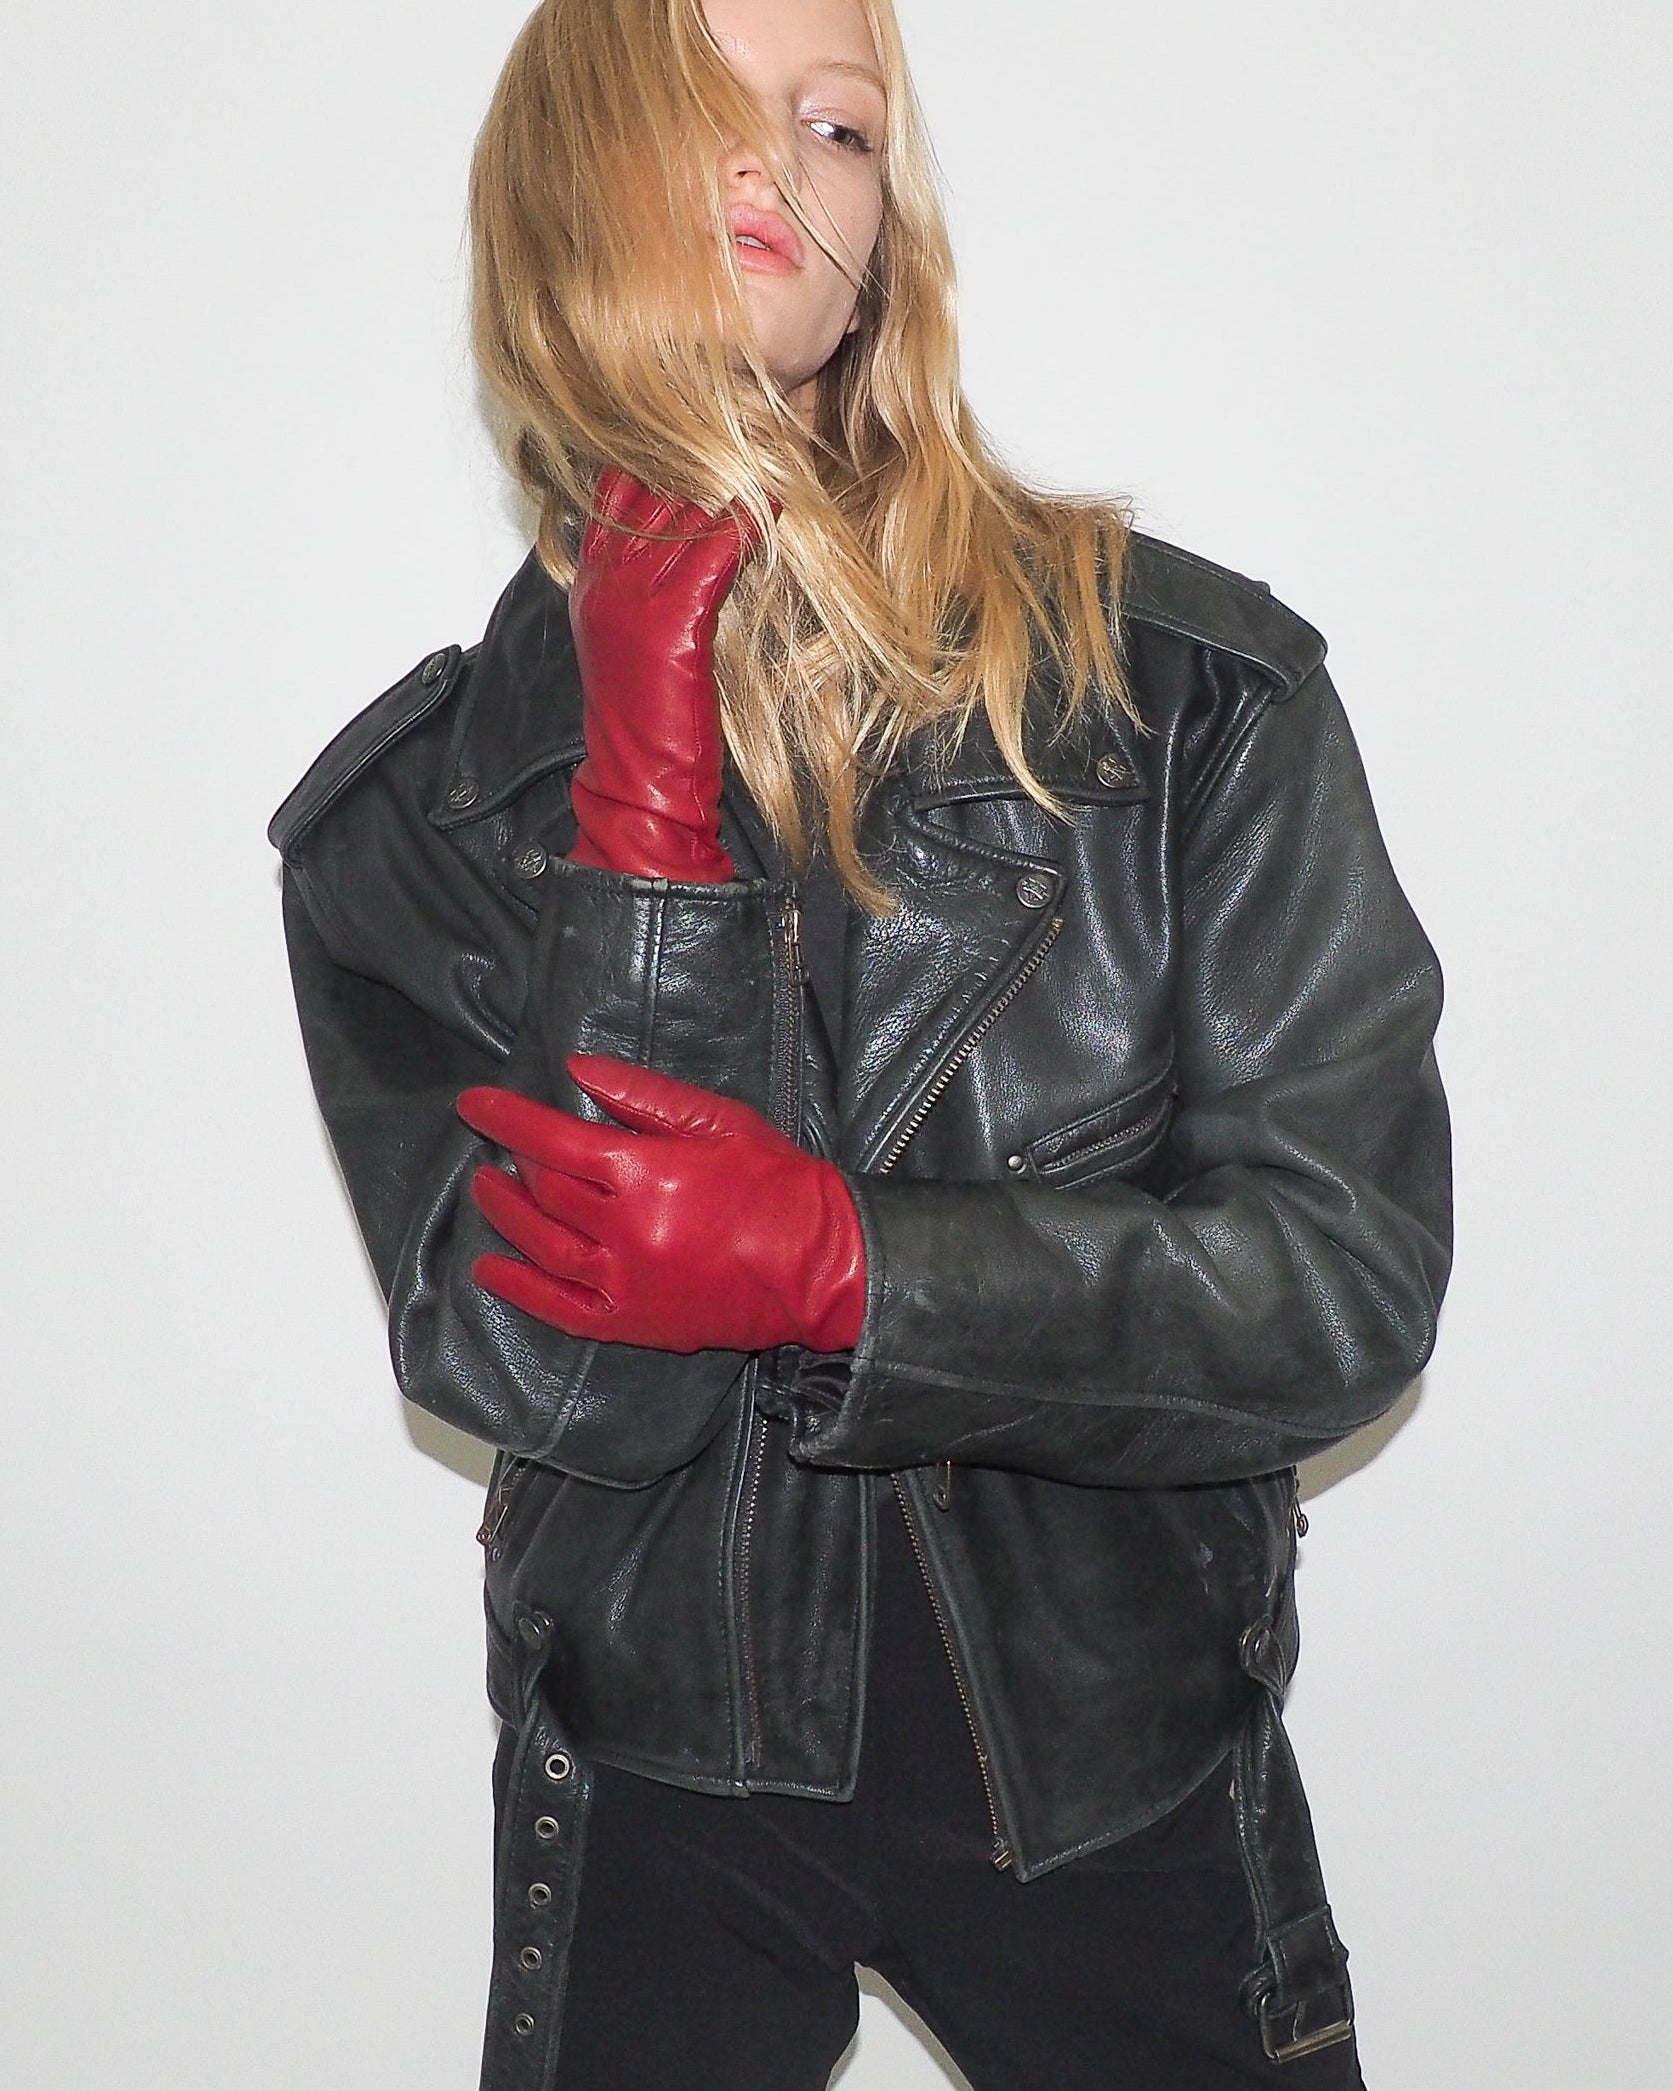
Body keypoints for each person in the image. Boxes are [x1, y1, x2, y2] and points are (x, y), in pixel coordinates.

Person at [270, 0, 1451, 2083]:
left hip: (1122, 1757)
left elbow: (1339, 1286)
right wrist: (638, 795)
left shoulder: (1189, 702)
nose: (783, 170)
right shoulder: (415, 828)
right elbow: (534, 1370)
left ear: (882, 227)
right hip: (658, 1776)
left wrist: (851, 1267)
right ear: (564, 178)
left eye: (837, 125)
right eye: (702, 108)